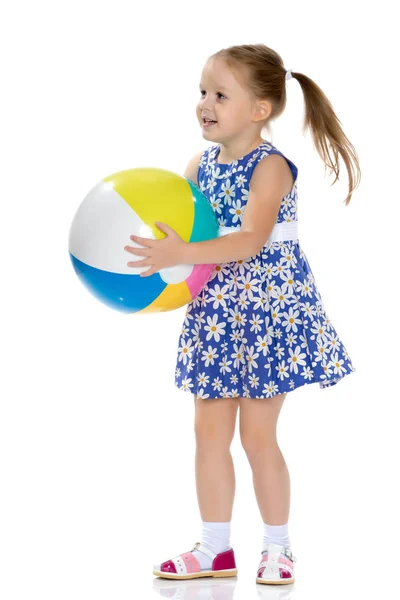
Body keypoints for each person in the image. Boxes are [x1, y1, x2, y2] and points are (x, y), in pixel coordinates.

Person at [124, 43, 360, 585]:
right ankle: (215, 548)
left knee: (257, 436)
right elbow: (179, 231)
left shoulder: (271, 167)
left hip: (268, 313)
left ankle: (278, 547)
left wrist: (181, 253)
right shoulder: (198, 166)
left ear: (259, 110)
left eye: (220, 94)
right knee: (207, 434)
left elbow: (251, 240)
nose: (205, 103)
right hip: (215, 317)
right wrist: (158, 261)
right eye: (202, 92)